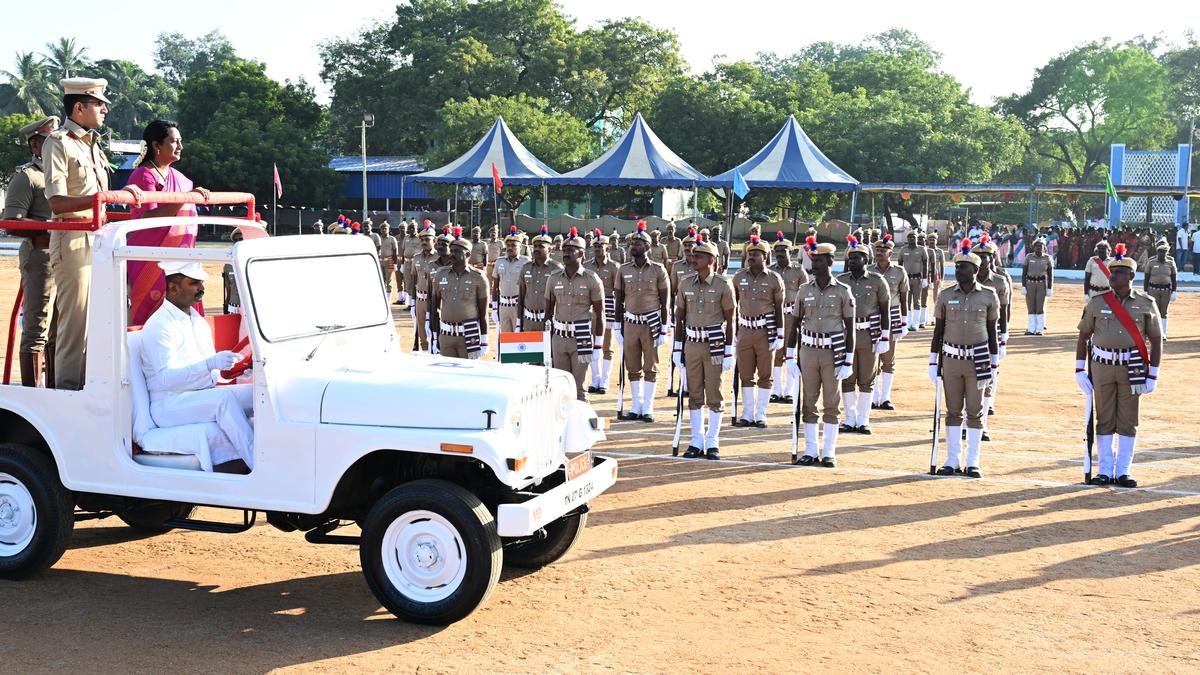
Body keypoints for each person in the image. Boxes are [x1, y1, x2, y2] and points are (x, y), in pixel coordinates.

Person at [44, 78, 145, 390]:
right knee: (75, 328)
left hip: (98, 238)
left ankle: (92, 392)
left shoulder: (92, 145)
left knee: (99, 323)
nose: (104, 110)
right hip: (74, 239)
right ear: (79, 107)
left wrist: (115, 195)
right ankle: (69, 396)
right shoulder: (58, 142)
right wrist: (105, 198)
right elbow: (57, 201)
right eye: (99, 104)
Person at [139, 261, 253, 474]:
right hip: (169, 405)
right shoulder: (159, 326)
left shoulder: (197, 321)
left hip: (199, 396)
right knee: (223, 400)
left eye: (201, 283)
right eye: (194, 283)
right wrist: (210, 364)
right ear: (173, 288)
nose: (201, 289)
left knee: (258, 394)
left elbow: (210, 374)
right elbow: (166, 379)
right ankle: (258, 465)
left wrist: (235, 371)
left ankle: (280, 453)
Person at [1076, 244, 1161, 487]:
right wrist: (1080, 368)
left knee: (1127, 419)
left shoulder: (1146, 303)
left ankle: (1123, 470)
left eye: (1118, 273)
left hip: (1132, 368)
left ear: (1131, 276)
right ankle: (1104, 470)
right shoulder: (1097, 302)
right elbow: (1083, 336)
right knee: (1103, 418)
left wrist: (1153, 374)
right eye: (1111, 273)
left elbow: (1156, 339)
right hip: (1101, 366)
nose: (1112, 277)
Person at [929, 239, 1000, 478]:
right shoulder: (945, 295)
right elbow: (938, 330)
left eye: (963, 267)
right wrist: (932, 361)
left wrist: (994, 361)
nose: (958, 271)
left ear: (975, 270)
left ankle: (973, 462)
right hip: (950, 358)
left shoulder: (989, 296)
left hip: (978, 359)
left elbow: (992, 332)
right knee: (952, 411)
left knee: (975, 411)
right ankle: (951, 460)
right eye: (957, 267)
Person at [786, 236, 855, 466]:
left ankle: (829, 452)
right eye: (812, 260)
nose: (813, 265)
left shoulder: (843, 291)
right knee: (809, 402)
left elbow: (850, 328)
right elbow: (794, 325)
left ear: (830, 261)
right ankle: (810, 450)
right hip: (808, 350)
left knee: (831, 404)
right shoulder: (804, 290)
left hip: (833, 352)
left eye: (818, 261)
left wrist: (848, 359)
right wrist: (789, 355)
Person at [3, 116, 59, 387]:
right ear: (35, 146)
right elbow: (11, 222)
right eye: (49, 142)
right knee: (38, 326)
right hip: (42, 256)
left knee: (62, 329)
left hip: (69, 256)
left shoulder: (62, 176)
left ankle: (57, 389)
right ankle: (33, 395)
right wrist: (49, 228)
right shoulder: (27, 177)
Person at [673, 233, 735, 459]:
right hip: (691, 343)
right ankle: (696, 441)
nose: (693, 257)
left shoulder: (723, 284)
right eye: (693, 254)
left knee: (714, 394)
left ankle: (713, 442)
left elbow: (731, 319)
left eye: (699, 255)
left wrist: (729, 350)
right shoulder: (685, 283)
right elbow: (679, 317)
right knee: (695, 393)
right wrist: (677, 348)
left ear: (711, 260)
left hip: (714, 344)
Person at [614, 221, 670, 422]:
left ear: (647, 247)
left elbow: (665, 301)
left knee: (650, 366)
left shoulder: (658, 269)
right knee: (632, 366)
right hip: (630, 323)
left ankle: (648, 407)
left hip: (651, 323)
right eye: (632, 243)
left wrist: (664, 327)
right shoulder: (623, 269)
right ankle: (635, 406)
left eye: (638, 243)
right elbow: (618, 300)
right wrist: (617, 326)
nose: (633, 246)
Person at [837, 235, 890, 435]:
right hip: (845, 335)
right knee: (847, 377)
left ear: (866, 260)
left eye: (857, 257)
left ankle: (863, 420)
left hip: (869, 334)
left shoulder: (878, 281)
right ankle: (849, 419)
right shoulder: (840, 281)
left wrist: (885, 337)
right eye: (850, 258)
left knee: (867, 379)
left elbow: (885, 311)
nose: (852, 261)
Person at [730, 234, 784, 428]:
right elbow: (732, 306)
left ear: (765, 257)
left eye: (755, 253)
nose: (750, 256)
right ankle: (747, 413)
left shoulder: (774, 279)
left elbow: (779, 308)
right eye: (749, 253)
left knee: (764, 374)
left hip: (765, 331)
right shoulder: (738, 277)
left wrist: (779, 334)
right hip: (744, 330)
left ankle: (760, 414)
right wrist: (733, 334)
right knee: (745, 374)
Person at [545, 228, 604, 400]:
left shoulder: (591, 279)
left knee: (578, 389)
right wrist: (547, 341)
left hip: (582, 338)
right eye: (564, 250)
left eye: (570, 250)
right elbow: (548, 312)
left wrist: (598, 344)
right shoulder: (553, 278)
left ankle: (580, 425)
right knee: (560, 388)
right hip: (559, 338)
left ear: (581, 254)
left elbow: (599, 313)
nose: (566, 253)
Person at [430, 228, 490, 359]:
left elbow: (483, 313)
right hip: (446, 335)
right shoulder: (440, 274)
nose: (452, 254)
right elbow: (434, 308)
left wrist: (484, 339)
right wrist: (435, 338)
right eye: (451, 251)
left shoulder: (478, 277)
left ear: (468, 255)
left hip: (469, 336)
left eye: (457, 251)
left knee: (469, 376)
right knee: (447, 374)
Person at [973, 234, 1011, 440]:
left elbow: (1005, 311)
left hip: (991, 335)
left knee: (988, 376)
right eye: (977, 256)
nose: (981, 260)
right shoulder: (966, 277)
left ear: (991, 258)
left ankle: (983, 420)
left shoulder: (999, 281)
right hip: (970, 334)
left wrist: (1003, 338)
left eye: (985, 257)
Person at [868, 235, 909, 410]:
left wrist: (905, 321)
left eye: (883, 250)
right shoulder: (869, 270)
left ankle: (885, 397)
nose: (879, 253)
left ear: (890, 252)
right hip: (872, 316)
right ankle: (873, 396)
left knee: (888, 358)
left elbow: (904, 297)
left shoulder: (899, 272)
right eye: (877, 250)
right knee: (872, 358)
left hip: (892, 316)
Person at [768, 231, 808, 405]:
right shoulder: (769, 271)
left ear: (790, 252)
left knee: (791, 353)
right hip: (776, 316)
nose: (780, 254)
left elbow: (806, 295)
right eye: (777, 252)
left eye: (783, 251)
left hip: (793, 315)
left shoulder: (799, 272)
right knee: (776, 354)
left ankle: (789, 391)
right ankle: (776, 390)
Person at [585, 231, 621, 394]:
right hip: (590, 307)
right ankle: (595, 379)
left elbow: (618, 291)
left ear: (607, 248)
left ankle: (604, 381)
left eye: (601, 246)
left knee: (606, 346)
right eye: (596, 246)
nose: (598, 249)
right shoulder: (587, 265)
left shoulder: (614, 266)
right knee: (592, 345)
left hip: (607, 306)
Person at [519, 226, 562, 332]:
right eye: (535, 246)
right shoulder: (526, 267)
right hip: (528, 320)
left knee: (548, 348)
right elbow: (521, 296)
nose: (536, 249)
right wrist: (518, 322)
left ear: (549, 249)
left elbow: (560, 297)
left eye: (541, 246)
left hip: (548, 321)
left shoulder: (557, 268)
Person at [404, 222, 439, 351]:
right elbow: (414, 279)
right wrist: (412, 302)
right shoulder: (416, 258)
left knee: (434, 330)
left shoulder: (439, 258)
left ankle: (435, 352)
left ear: (434, 241)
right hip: (420, 300)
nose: (424, 242)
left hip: (434, 300)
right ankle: (424, 352)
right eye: (422, 240)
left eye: (427, 239)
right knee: (422, 331)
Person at [491, 226, 530, 333]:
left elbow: (528, 286)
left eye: (513, 245)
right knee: (505, 338)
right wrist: (494, 307)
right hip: (503, 306)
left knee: (519, 338)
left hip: (518, 306)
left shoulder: (526, 262)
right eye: (508, 245)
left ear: (520, 247)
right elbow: (495, 286)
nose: (510, 248)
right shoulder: (499, 262)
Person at [1143, 238, 1177, 339]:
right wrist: (1145, 290)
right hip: (1153, 290)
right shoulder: (1151, 262)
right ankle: (1152, 333)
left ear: (1167, 252)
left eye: (1164, 252)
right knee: (1153, 311)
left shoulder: (1171, 262)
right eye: (1160, 251)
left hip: (1166, 291)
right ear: (1157, 251)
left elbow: (1174, 278)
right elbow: (1146, 278)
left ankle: (1163, 333)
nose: (1162, 253)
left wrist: (1174, 291)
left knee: (1163, 313)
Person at [1021, 237, 1054, 335]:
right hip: (1030, 284)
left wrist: (1050, 288)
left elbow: (1050, 274)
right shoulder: (1029, 257)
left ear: (1044, 247)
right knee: (1031, 306)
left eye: (1041, 246)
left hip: (1041, 285)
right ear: (1033, 247)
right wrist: (1023, 286)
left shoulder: (1047, 258)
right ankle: (1031, 329)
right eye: (1037, 246)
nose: (1039, 248)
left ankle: (1039, 329)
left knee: (1040, 307)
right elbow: (1024, 273)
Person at [897, 231, 929, 330]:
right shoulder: (903, 250)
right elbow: (900, 264)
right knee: (906, 301)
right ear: (907, 239)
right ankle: (908, 322)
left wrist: (925, 278)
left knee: (917, 301)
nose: (912, 239)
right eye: (910, 237)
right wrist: (900, 278)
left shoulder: (922, 249)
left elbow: (925, 264)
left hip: (917, 279)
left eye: (914, 237)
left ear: (916, 238)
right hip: (906, 279)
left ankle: (915, 323)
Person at [378, 222, 399, 302]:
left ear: (388, 229)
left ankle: (388, 298)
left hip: (389, 260)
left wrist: (395, 263)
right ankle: (382, 297)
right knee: (381, 280)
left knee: (389, 280)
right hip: (380, 261)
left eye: (385, 228)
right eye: (382, 229)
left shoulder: (392, 239)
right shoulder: (379, 238)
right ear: (380, 230)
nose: (384, 230)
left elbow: (395, 251)